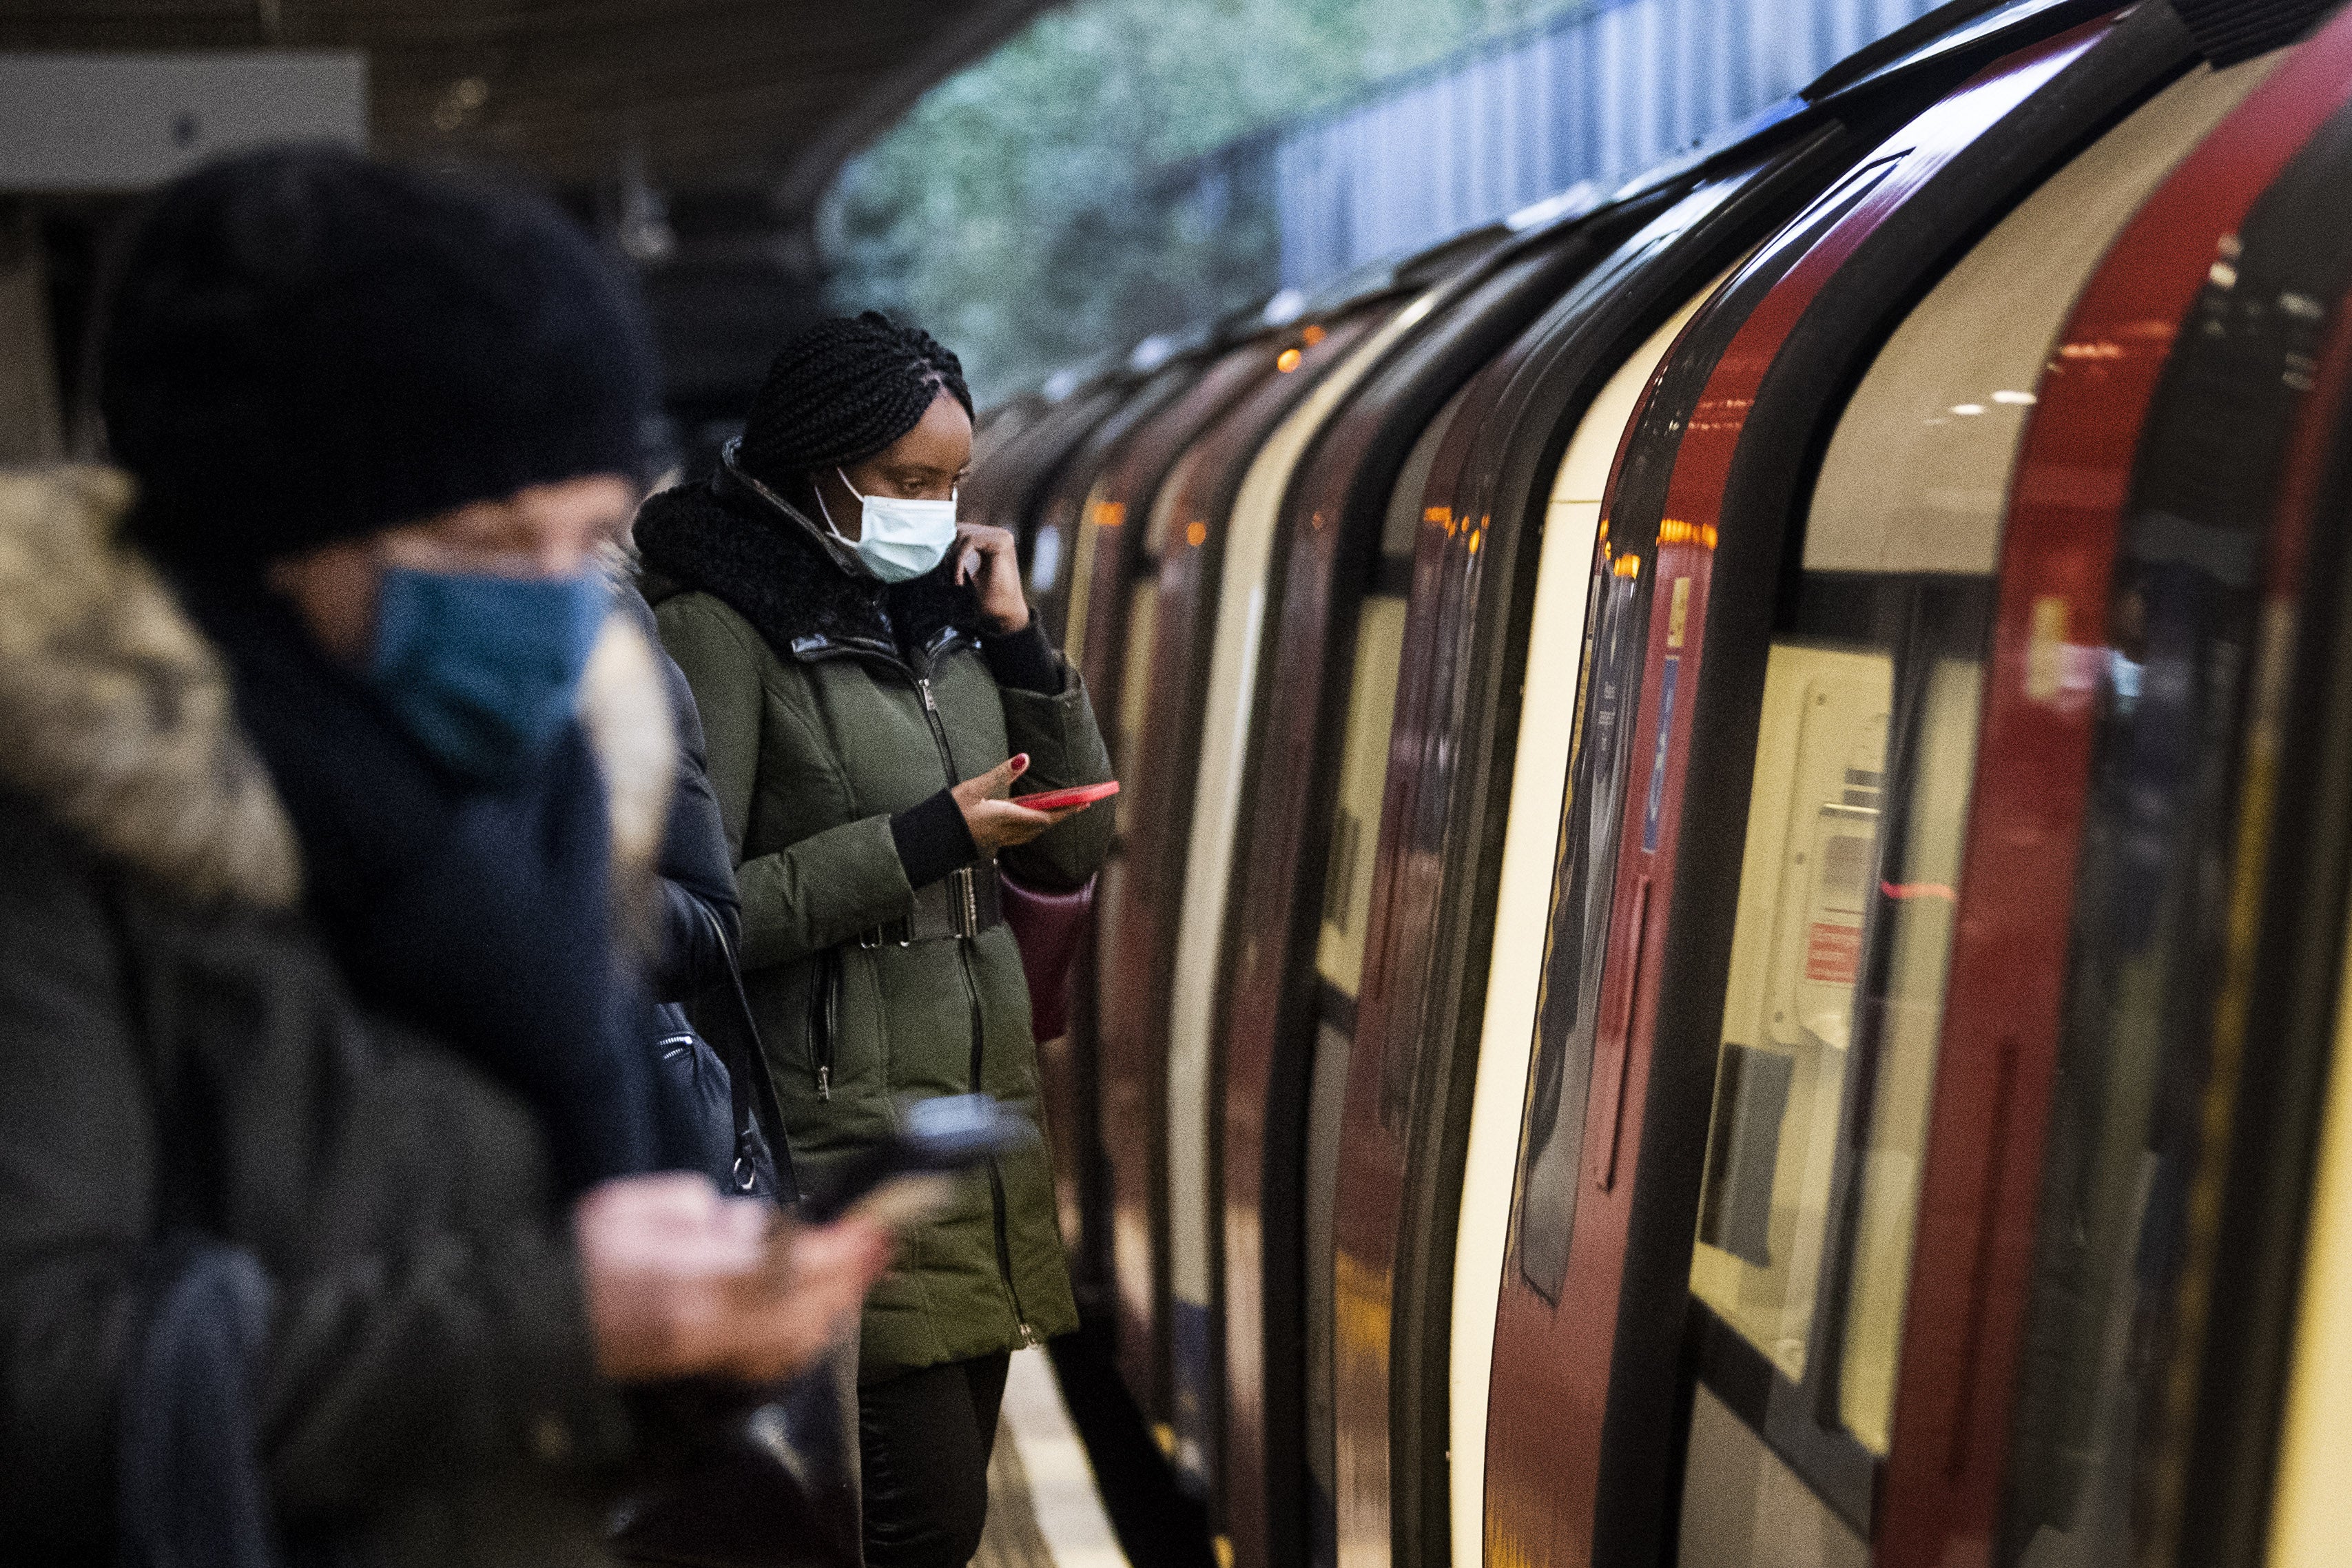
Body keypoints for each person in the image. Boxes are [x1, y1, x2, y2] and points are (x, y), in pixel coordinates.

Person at [0, 147, 891, 1565]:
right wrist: (560, 1320)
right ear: (268, 535)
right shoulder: (58, 832)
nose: (553, 605)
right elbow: (35, 1390)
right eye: (483, 541)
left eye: (589, 537)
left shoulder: (532, 810)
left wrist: (705, 1345)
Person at [637, 311, 1115, 1568]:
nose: (934, 509)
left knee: (933, 1535)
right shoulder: (715, 629)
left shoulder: (941, 626)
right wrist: (923, 840)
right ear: (817, 466)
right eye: (906, 482)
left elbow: (1069, 855)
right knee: (912, 1527)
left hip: (971, 1144)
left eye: (952, 483)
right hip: (833, 1150)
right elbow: (694, 916)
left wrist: (1020, 645)